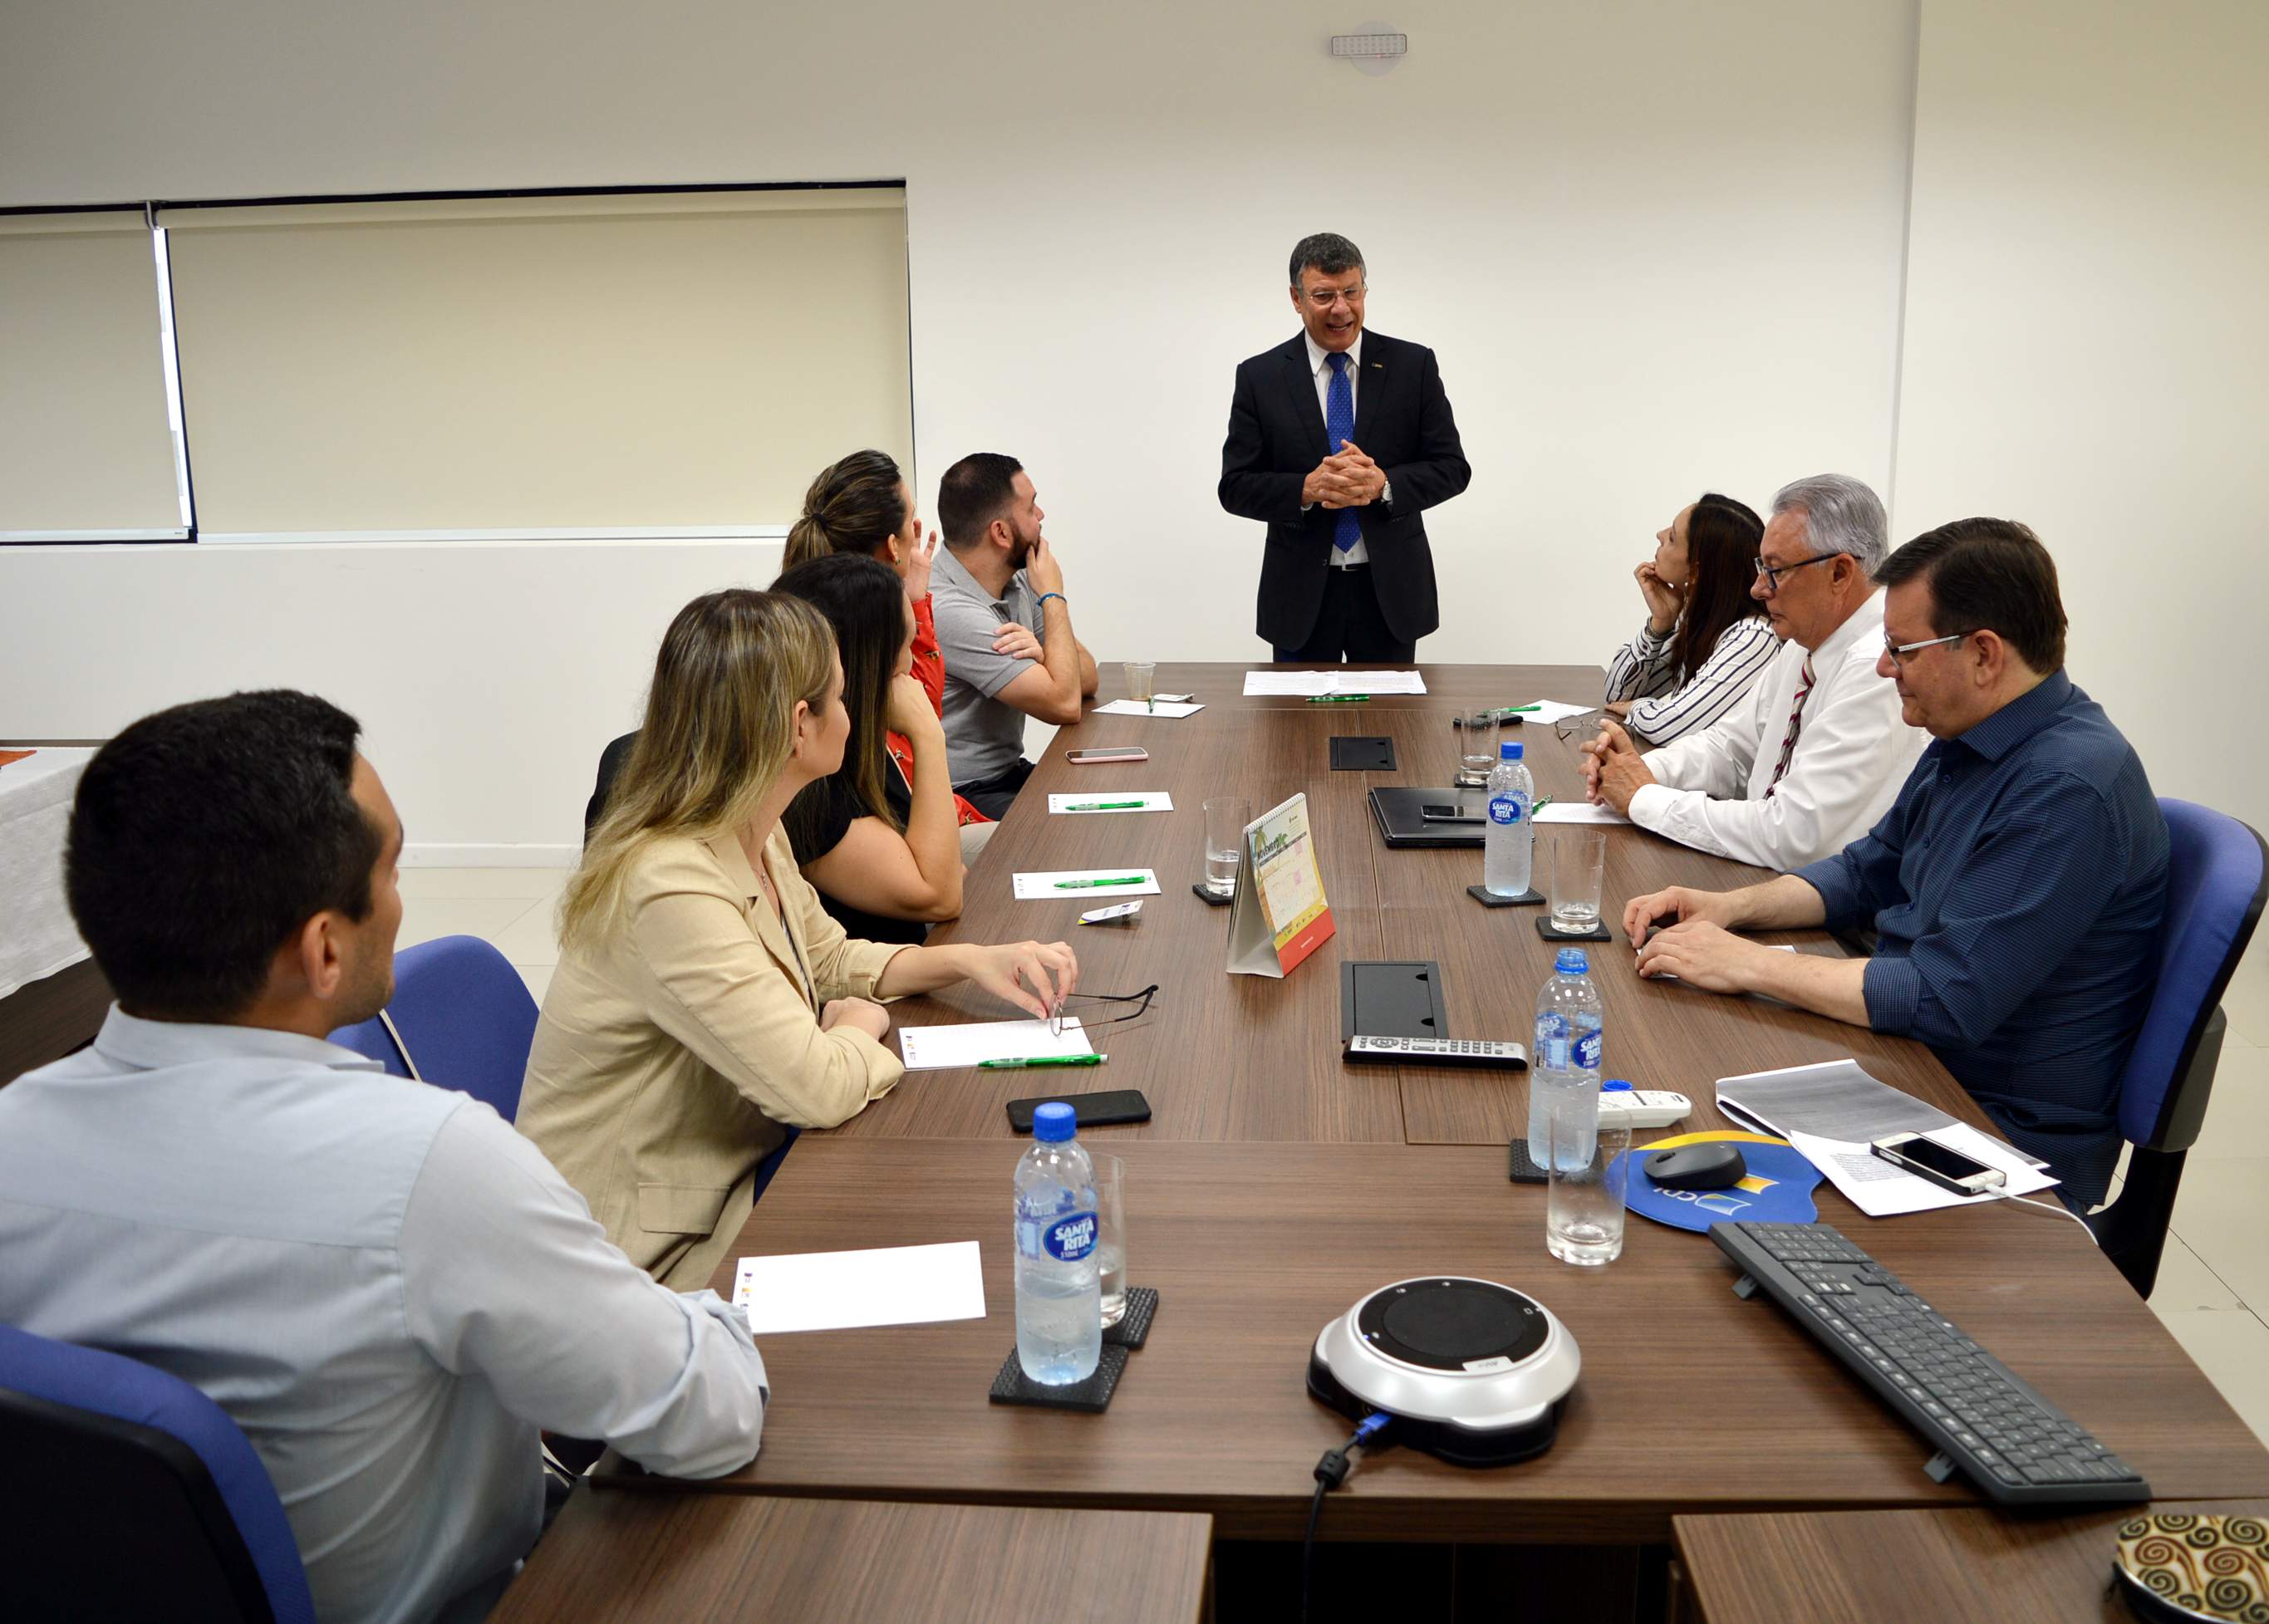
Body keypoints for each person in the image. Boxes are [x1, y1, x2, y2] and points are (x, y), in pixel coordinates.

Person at [0, 690, 769, 1624]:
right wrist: (707, 1316)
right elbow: (708, 1415)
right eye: (394, 865)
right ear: (324, 949)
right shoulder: (429, 1168)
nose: (402, 897)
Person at [520, 589, 1078, 1289]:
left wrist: (964, 961)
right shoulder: (667, 884)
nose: (853, 713)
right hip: (635, 1253)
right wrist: (857, 1026)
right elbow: (816, 1087)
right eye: (840, 698)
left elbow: (828, 957)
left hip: (729, 1169)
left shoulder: (750, 825)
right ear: (798, 726)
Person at [1624, 519, 2168, 1207]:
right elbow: (1867, 870)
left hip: (1991, 1134)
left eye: (1900, 649)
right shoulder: (1969, 734)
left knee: (1686, 1163)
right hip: (1915, 1068)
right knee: (1682, 1086)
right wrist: (1730, 908)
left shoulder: (2065, 789)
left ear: (1983, 654)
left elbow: (1943, 996)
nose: (1884, 668)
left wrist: (1746, 963)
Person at [1583, 473, 1924, 871]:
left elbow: (1792, 834)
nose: (1758, 589)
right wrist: (1643, 770)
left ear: (1839, 573)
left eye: (1775, 570)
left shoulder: (1877, 667)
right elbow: (1731, 748)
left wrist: (1644, 797)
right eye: (1762, 567)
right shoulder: (1804, 644)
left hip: (1827, 901)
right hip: (1771, 878)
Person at [1218, 232, 1471, 663]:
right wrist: (1306, 489)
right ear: (1296, 299)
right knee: (1295, 711)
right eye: (1324, 296)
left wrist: (1384, 484)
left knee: (1391, 710)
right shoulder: (1260, 377)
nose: (1341, 308)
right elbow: (1235, 486)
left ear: (1364, 291)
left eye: (1351, 292)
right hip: (1298, 595)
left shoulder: (1413, 367)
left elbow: (1452, 468)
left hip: (1389, 594)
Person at [778, 448, 995, 860]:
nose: (919, 528)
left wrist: (914, 600)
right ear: (894, 545)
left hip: (912, 813)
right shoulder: (860, 624)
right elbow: (919, 713)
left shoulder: (823, 604)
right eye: (912, 518)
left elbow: (914, 706)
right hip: (900, 824)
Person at [773, 552, 964, 944]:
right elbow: (940, 895)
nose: (910, 666)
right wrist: (928, 734)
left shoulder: (853, 741)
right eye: (905, 646)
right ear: (868, 665)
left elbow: (941, 867)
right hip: (885, 972)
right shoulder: (809, 786)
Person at [927, 452, 1098, 817]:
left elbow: (1086, 675)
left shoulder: (1018, 579)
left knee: (1101, 803)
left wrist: (1042, 654)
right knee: (1075, 832)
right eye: (1031, 507)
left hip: (1007, 774)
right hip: (963, 792)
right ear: (1001, 533)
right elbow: (1065, 705)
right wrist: (1053, 596)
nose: (1041, 516)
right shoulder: (950, 609)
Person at [1603, 493, 1778, 742]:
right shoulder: (1706, 623)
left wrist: (1637, 708)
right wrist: (1659, 625)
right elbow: (1617, 695)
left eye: (1672, 537)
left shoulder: (1754, 637)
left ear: (1695, 571)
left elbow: (1668, 727)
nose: (1660, 535)